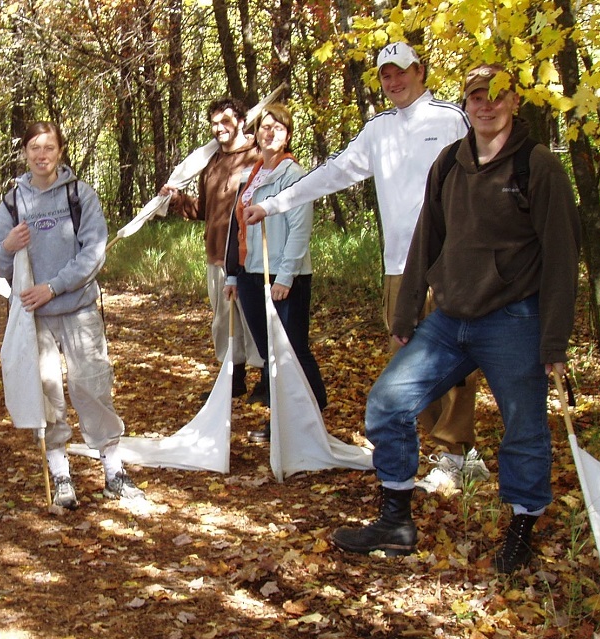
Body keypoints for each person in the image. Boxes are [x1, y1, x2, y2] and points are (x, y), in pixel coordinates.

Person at [328, 64, 581, 574]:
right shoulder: (449, 164)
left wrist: (554, 342)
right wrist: (405, 315)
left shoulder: (537, 167)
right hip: (449, 320)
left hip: (514, 318)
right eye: (476, 98)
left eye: (496, 97)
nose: (485, 106)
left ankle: (522, 528)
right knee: (387, 405)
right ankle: (395, 522)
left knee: (525, 429)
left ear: (513, 103)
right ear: (466, 105)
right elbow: (426, 241)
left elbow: (561, 256)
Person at [242, 42, 482, 490]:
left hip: (450, 262)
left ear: (421, 70)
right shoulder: (378, 130)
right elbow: (331, 174)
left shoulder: (451, 119)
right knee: (409, 359)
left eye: (401, 72)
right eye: (386, 76)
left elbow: (480, 181)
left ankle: (457, 451)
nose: (394, 82)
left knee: (456, 355)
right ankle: (443, 448)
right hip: (398, 267)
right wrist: (272, 205)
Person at [0, 121, 144, 510]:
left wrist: (53, 287)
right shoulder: (12, 202)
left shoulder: (80, 194)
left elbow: (94, 253)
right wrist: (7, 245)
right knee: (47, 394)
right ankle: (60, 476)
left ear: (61, 151)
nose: (42, 155)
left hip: (78, 310)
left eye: (49, 148)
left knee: (93, 387)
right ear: (25, 152)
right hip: (32, 318)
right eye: (35, 148)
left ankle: (113, 473)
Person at [223, 103, 326, 443]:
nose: (270, 133)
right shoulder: (252, 175)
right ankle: (283, 419)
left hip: (283, 277)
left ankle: (311, 413)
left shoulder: (294, 176)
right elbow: (236, 228)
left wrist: (285, 277)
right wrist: (234, 274)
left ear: (288, 136)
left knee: (292, 349)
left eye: (278, 128)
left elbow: (299, 229)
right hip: (252, 273)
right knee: (270, 354)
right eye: (265, 127)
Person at [161, 98, 265, 401]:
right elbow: (203, 211)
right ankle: (234, 378)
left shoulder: (259, 156)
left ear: (241, 122)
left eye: (226, 121)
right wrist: (177, 199)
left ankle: (265, 382)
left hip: (251, 256)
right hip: (218, 253)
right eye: (215, 123)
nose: (219, 128)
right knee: (223, 321)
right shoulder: (211, 163)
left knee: (254, 318)